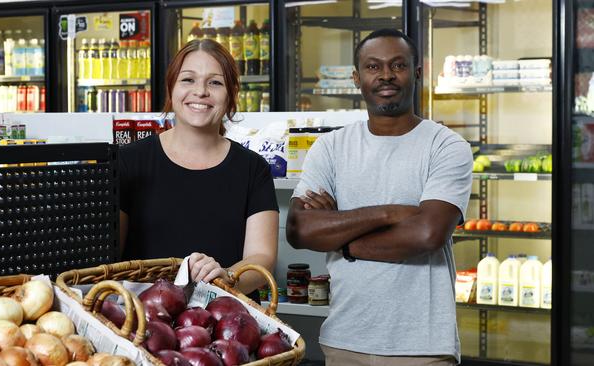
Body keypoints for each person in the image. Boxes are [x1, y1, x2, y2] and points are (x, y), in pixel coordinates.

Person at [286, 29, 472, 365]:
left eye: (397, 65)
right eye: (373, 67)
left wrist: (342, 241)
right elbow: (299, 230)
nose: (386, 75)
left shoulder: (446, 146)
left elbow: (427, 234)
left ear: (416, 73)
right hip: (345, 340)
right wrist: (390, 213)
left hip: (422, 346)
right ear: (357, 78)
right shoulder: (331, 147)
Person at [119, 39, 278, 296]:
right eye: (188, 80)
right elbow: (108, 256)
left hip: (228, 321)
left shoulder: (253, 168)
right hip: (143, 321)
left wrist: (227, 278)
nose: (200, 92)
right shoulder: (127, 161)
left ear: (231, 94)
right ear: (171, 88)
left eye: (215, 82)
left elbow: (262, 255)